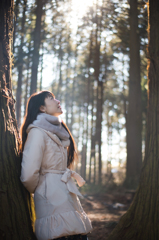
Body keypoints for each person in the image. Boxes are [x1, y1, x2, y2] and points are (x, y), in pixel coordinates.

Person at [20, 91, 93, 240]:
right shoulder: (37, 133)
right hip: (51, 200)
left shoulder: (56, 133)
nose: (57, 100)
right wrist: (45, 186)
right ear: (42, 108)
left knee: (78, 234)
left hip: (65, 195)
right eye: (51, 99)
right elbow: (28, 176)